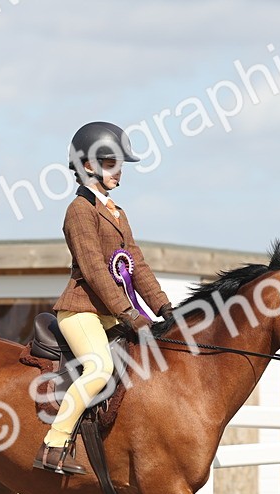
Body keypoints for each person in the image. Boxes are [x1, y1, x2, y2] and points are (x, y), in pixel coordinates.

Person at [33, 121, 174, 475]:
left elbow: (135, 263)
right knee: (99, 368)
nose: (119, 175)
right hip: (81, 309)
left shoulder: (117, 212)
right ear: (90, 166)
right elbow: (95, 270)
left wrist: (163, 307)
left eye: (120, 167)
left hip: (110, 312)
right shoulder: (79, 211)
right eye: (112, 165)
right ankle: (54, 443)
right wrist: (130, 313)